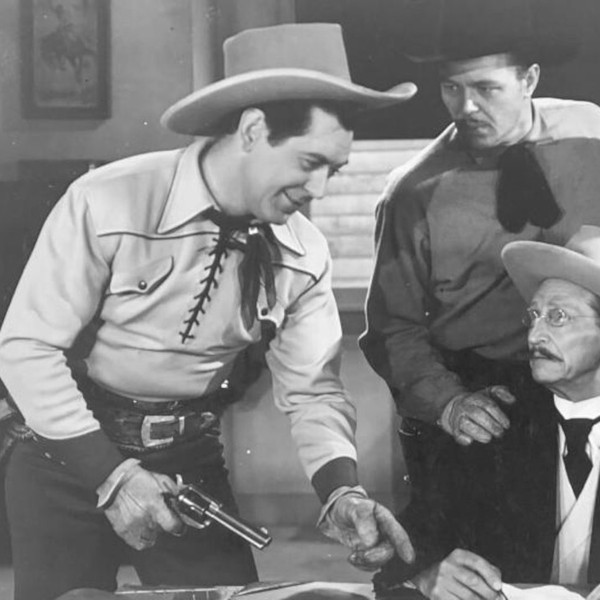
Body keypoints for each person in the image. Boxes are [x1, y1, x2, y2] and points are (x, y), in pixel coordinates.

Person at [0, 23, 418, 600]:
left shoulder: (303, 253)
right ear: (252, 130)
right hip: (64, 456)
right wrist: (111, 476)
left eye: (335, 170)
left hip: (187, 464)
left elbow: (313, 392)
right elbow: (26, 348)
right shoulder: (107, 200)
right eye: (309, 162)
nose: (320, 188)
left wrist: (341, 492)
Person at [360, 0, 600, 469]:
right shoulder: (412, 194)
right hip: (478, 395)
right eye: (452, 87)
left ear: (529, 79)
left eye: (486, 88)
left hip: (587, 381)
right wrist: (449, 403)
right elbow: (392, 329)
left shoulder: (592, 134)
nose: (466, 107)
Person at [373, 225, 600, 598]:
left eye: (558, 317)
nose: (534, 336)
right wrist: (425, 579)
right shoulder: (492, 419)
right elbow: (410, 551)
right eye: (533, 316)